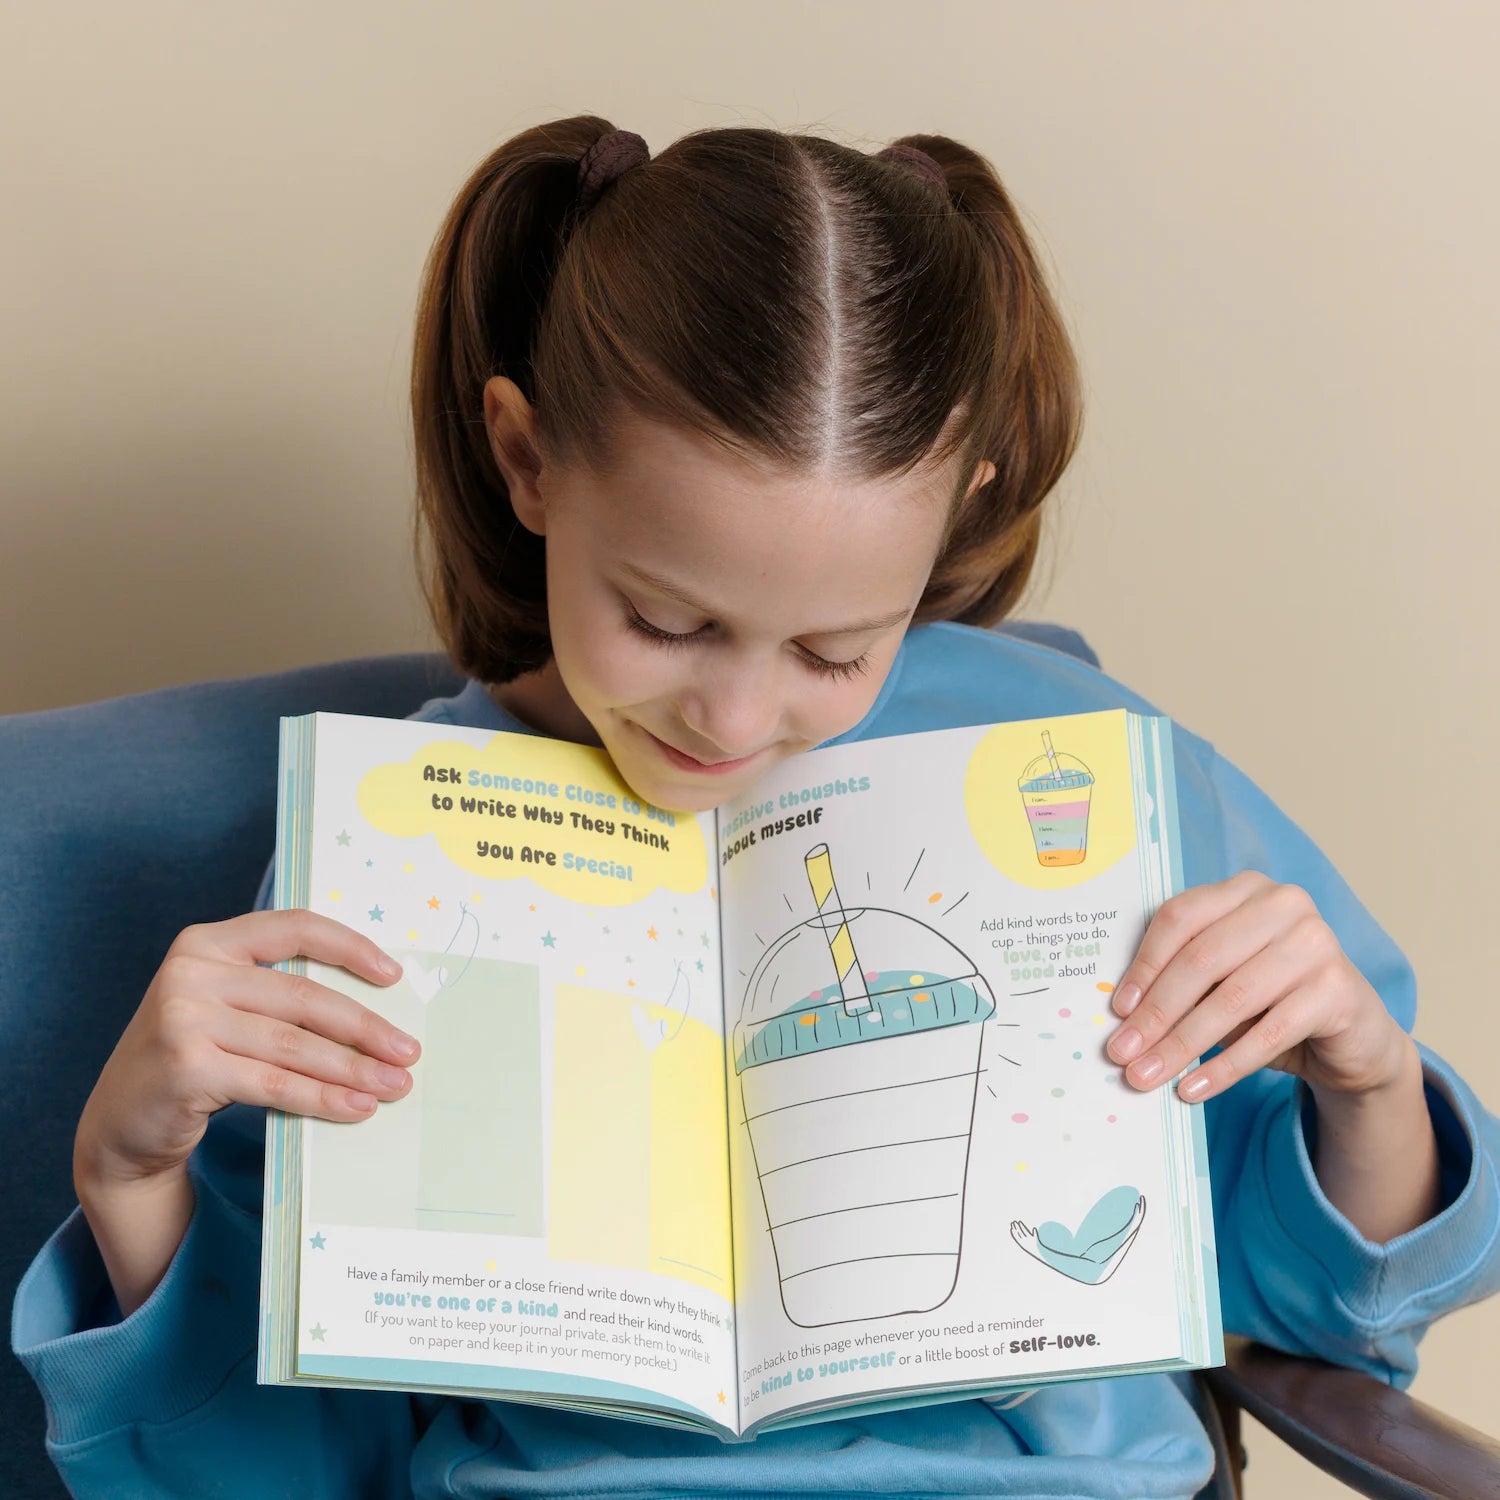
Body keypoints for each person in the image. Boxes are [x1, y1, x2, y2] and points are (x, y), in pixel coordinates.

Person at [13, 115, 1499, 1500]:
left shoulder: (1085, 766)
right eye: (662, 622)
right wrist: (133, 1178)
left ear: (951, 519)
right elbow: (276, 1469)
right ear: (528, 462)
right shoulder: (385, 852)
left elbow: (1330, 1310)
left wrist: (1362, 1089)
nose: (731, 720)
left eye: (839, 651)